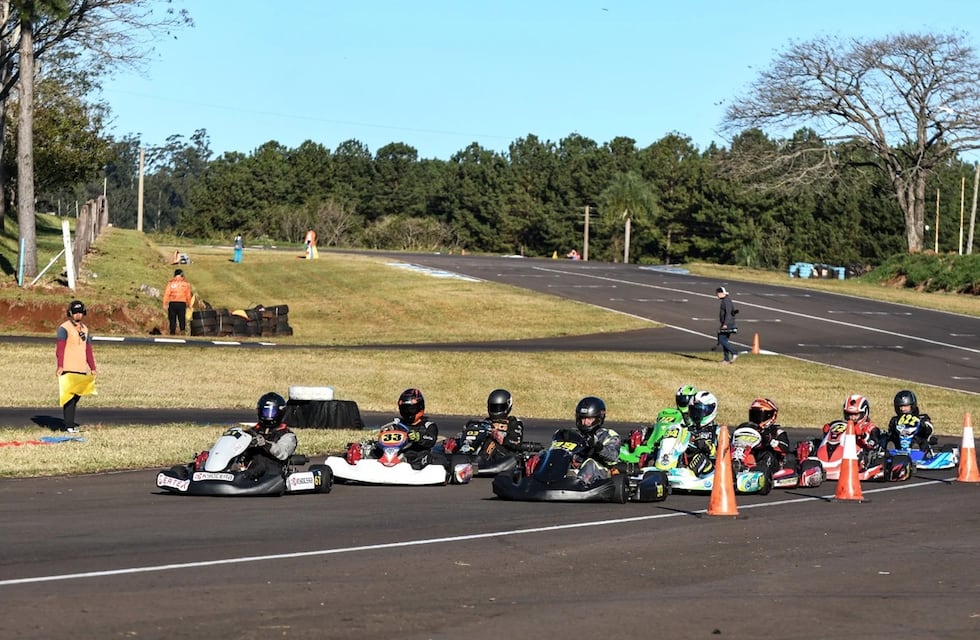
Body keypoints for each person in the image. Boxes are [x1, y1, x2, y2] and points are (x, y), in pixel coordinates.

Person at [347, 388, 439, 470]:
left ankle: (407, 466)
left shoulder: (428, 425)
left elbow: (431, 439)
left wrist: (418, 437)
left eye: (411, 409)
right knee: (371, 450)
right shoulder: (396, 423)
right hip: (392, 453)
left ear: (420, 407)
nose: (407, 412)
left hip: (414, 454)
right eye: (404, 409)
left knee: (426, 456)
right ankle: (360, 465)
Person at [55, 300, 97, 432]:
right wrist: (60, 365)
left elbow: (88, 349)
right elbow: (60, 349)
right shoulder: (64, 328)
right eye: (75, 313)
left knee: (77, 396)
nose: (78, 315)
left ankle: (70, 424)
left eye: (80, 312)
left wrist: (92, 367)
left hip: (80, 368)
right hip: (68, 367)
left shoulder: (85, 329)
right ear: (70, 313)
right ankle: (69, 426)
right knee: (69, 398)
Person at [444, 388, 525, 455]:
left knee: (491, 442)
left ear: (508, 406)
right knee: (449, 444)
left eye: (499, 407)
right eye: (493, 407)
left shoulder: (514, 423)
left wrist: (500, 437)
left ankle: (480, 460)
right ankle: (455, 456)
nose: (496, 411)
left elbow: (516, 442)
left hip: (503, 455)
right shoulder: (483, 422)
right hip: (477, 450)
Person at [244, 392, 298, 480]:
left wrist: (265, 444)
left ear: (280, 413)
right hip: (249, 465)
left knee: (261, 462)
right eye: (265, 412)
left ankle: (244, 477)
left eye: (271, 412)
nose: (267, 415)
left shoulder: (287, 435)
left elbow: (282, 453)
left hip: (272, 471)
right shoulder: (252, 431)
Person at [569, 396, 622, 484]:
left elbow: (613, 457)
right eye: (583, 418)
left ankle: (579, 484)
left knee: (590, 463)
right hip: (575, 469)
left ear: (598, 418)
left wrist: (597, 446)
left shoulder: (609, 435)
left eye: (589, 419)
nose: (585, 423)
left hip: (600, 474)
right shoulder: (573, 434)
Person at [881, 389, 936, 457]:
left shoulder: (922, 418)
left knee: (919, 441)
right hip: (899, 447)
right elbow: (890, 433)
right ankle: (890, 456)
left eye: (905, 406)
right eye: (901, 406)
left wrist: (923, 426)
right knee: (890, 441)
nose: (903, 409)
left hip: (917, 444)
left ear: (912, 405)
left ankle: (916, 456)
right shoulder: (895, 420)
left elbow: (929, 430)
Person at [745, 397, 791, 475]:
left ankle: (762, 473)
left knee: (767, 453)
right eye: (754, 415)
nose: (757, 418)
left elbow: (785, 448)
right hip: (749, 457)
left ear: (771, 416)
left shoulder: (777, 432)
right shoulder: (747, 429)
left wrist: (770, 441)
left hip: (769, 462)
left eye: (760, 415)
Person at [840, 393, 884, 467]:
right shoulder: (844, 425)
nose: (852, 418)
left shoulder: (871, 428)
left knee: (863, 457)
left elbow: (874, 445)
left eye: (855, 415)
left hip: (861, 454)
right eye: (849, 414)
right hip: (841, 451)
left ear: (864, 413)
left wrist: (863, 436)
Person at [683, 390, 720, 475]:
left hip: (710, 470)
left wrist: (708, 446)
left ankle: (688, 474)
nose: (696, 414)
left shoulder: (718, 431)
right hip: (685, 460)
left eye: (699, 411)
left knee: (701, 458)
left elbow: (724, 456)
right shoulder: (687, 428)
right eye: (693, 411)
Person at [162, 268, 193, 335]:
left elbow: (166, 294)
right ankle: (182, 332)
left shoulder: (170, 283)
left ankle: (172, 333)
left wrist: (164, 304)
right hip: (182, 303)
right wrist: (189, 305)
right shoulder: (186, 284)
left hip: (172, 303)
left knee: (172, 319)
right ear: (181, 275)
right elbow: (188, 295)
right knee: (181, 319)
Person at [715, 286, 738, 364]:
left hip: (728, 324)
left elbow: (728, 313)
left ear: (721, 293)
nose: (717, 295)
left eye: (717, 293)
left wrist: (725, 324)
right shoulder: (725, 300)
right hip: (726, 323)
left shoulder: (726, 301)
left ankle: (734, 352)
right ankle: (726, 359)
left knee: (721, 339)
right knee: (724, 340)